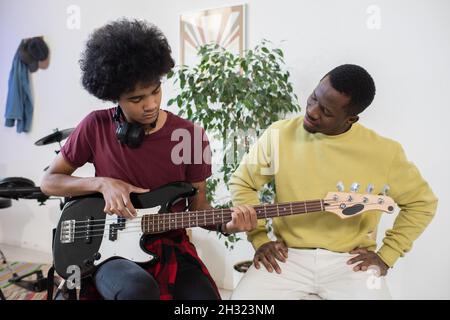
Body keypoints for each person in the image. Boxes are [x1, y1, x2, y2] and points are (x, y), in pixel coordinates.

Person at [41, 19, 257, 300]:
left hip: (169, 244)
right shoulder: (95, 126)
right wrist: (103, 183)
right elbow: (48, 181)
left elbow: (199, 207)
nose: (151, 104)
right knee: (137, 291)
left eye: (155, 90)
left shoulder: (190, 135)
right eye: (136, 98)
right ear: (113, 96)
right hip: (109, 249)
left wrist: (228, 225)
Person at [228, 64, 438, 300]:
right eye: (313, 98)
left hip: (350, 261)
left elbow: (422, 203)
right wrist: (260, 239)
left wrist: (387, 255)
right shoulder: (279, 134)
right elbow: (242, 182)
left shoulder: (384, 152)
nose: (313, 111)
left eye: (326, 112)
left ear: (351, 118)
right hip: (288, 256)